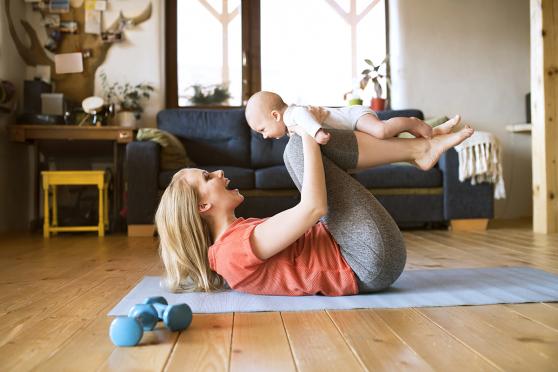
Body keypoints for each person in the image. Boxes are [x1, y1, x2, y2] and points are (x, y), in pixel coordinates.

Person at [155, 116, 474, 296]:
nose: (220, 173)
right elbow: (313, 208)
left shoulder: (233, 242)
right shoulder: (230, 251)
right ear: (203, 206)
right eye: (208, 177)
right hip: (365, 261)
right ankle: (417, 149)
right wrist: (306, 128)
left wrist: (309, 131)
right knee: (297, 147)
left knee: (306, 149)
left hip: (365, 256)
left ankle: (418, 148)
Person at [244, 91, 461, 145]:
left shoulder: (293, 114)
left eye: (262, 130)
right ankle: (432, 132)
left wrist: (317, 132)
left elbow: (304, 115)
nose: (264, 137)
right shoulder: (290, 127)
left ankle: (414, 122)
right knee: (386, 141)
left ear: (275, 115)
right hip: (351, 125)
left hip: (354, 117)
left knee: (381, 131)